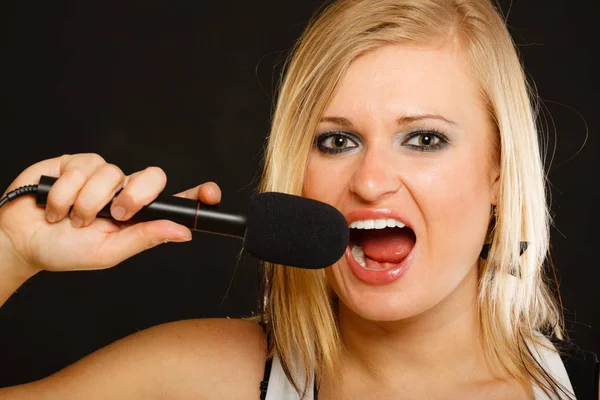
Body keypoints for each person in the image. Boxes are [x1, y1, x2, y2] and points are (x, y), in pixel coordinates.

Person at [0, 0, 598, 398]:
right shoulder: (198, 378)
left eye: (424, 139)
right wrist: (10, 250)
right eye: (337, 140)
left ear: (499, 170)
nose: (369, 181)